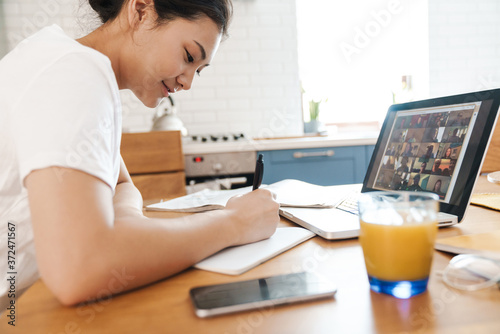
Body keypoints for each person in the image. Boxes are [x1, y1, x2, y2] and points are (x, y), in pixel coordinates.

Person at [0, 0, 280, 309]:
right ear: (142, 10)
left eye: (197, 71)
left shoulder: (68, 62)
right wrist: (235, 223)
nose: (186, 82)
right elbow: (78, 270)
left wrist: (127, 224)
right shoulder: (74, 76)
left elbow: (122, 184)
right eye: (188, 56)